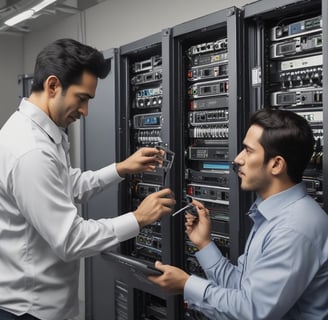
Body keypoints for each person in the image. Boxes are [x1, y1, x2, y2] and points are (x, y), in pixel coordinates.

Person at [0, 38, 176, 320]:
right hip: (30, 310)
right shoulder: (30, 150)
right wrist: (138, 218)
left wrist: (120, 169)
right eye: (81, 98)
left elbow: (66, 187)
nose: (85, 111)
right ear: (53, 86)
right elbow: (70, 240)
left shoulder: (41, 132)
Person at [149, 108, 328, 320]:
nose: (237, 159)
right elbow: (243, 290)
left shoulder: (295, 228)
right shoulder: (275, 215)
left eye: (248, 151)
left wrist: (187, 285)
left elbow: (251, 312)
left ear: (276, 164)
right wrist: (205, 244)